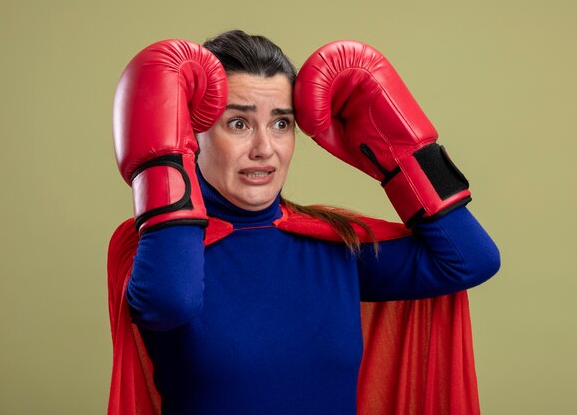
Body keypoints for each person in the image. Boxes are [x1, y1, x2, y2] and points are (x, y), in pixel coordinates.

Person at [107, 30, 500, 415]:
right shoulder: (159, 248)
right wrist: (163, 164)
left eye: (281, 124)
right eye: (238, 124)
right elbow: (170, 301)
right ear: (193, 133)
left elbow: (471, 259)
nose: (264, 149)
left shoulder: (335, 245)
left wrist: (404, 156)